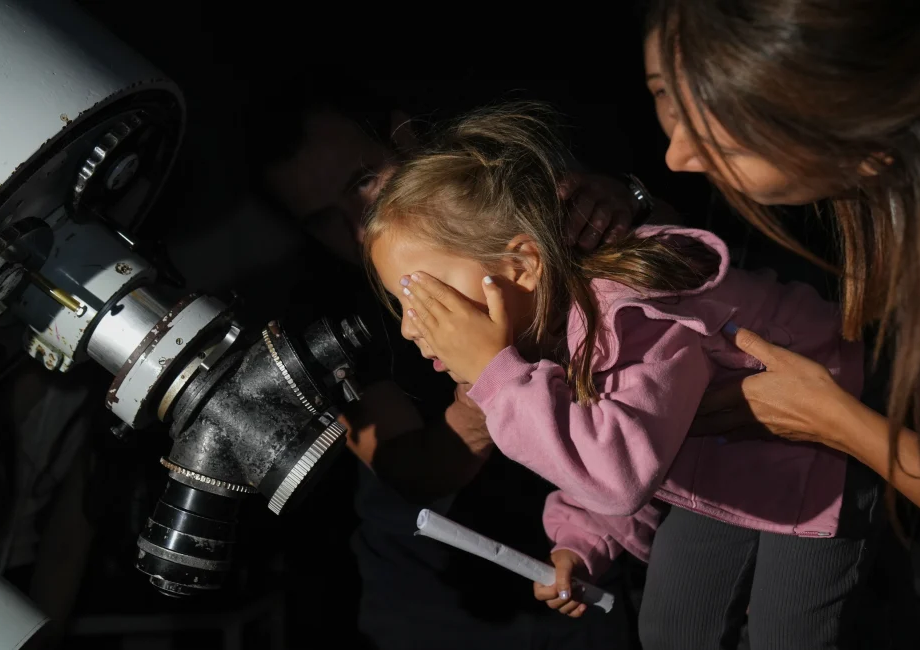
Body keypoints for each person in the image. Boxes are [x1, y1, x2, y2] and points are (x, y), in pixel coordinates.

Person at [365, 102, 889, 649]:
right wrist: (581, 541)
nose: (409, 327)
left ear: (520, 266)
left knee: (789, 633)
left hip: (821, 444)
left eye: (424, 297)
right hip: (723, 459)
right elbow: (610, 432)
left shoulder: (634, 315)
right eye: (400, 305)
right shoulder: (548, 324)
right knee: (673, 628)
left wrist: (497, 377)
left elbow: (618, 472)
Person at [245, 79, 648, 649]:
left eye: (363, 182)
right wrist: (489, 378)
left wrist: (624, 204)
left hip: (602, 557)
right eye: (323, 219)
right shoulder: (327, 317)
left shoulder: (510, 194)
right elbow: (411, 471)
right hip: (446, 601)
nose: (359, 227)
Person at [646, 0, 920, 582]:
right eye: (664, 92)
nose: (677, 156)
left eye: (732, 145)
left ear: (865, 142)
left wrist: (835, 421)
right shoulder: (913, 199)